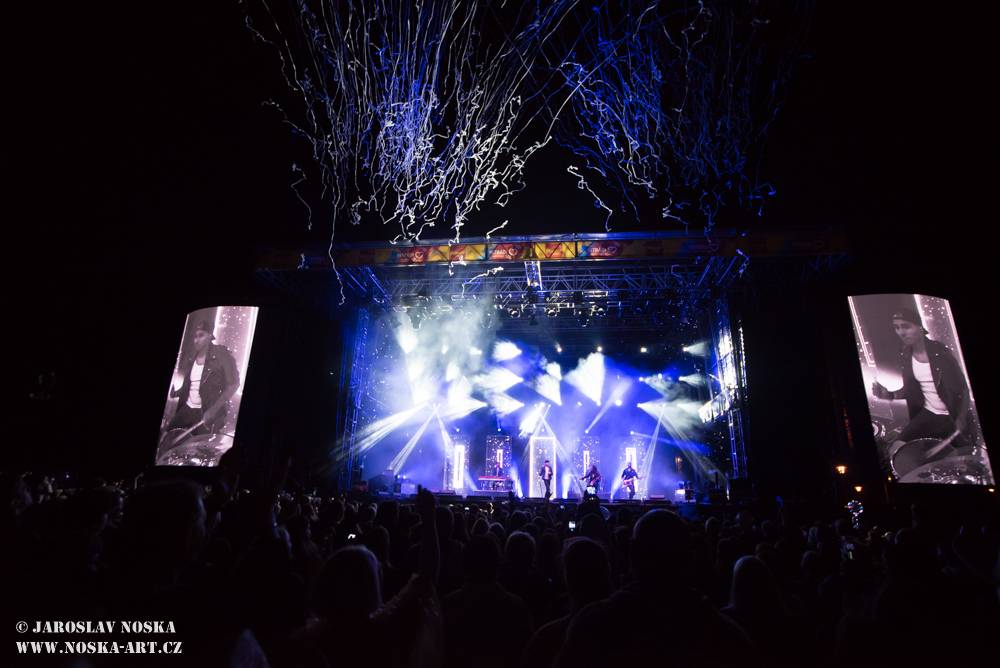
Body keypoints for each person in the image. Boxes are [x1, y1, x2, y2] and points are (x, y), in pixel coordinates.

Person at [872, 307, 971, 462]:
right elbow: (910, 390)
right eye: (897, 327)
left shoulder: (941, 353)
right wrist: (889, 395)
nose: (901, 332)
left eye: (906, 326)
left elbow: (964, 390)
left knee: (955, 462)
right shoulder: (905, 353)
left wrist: (962, 418)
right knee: (896, 449)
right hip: (928, 413)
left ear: (919, 326)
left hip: (950, 416)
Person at [167, 320, 240, 436]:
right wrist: (176, 393)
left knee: (195, 448)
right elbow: (191, 384)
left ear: (210, 335)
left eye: (201, 335)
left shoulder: (221, 354)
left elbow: (233, 384)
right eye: (195, 336)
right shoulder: (193, 358)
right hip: (188, 408)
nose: (196, 340)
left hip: (206, 411)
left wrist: (213, 410)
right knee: (168, 435)